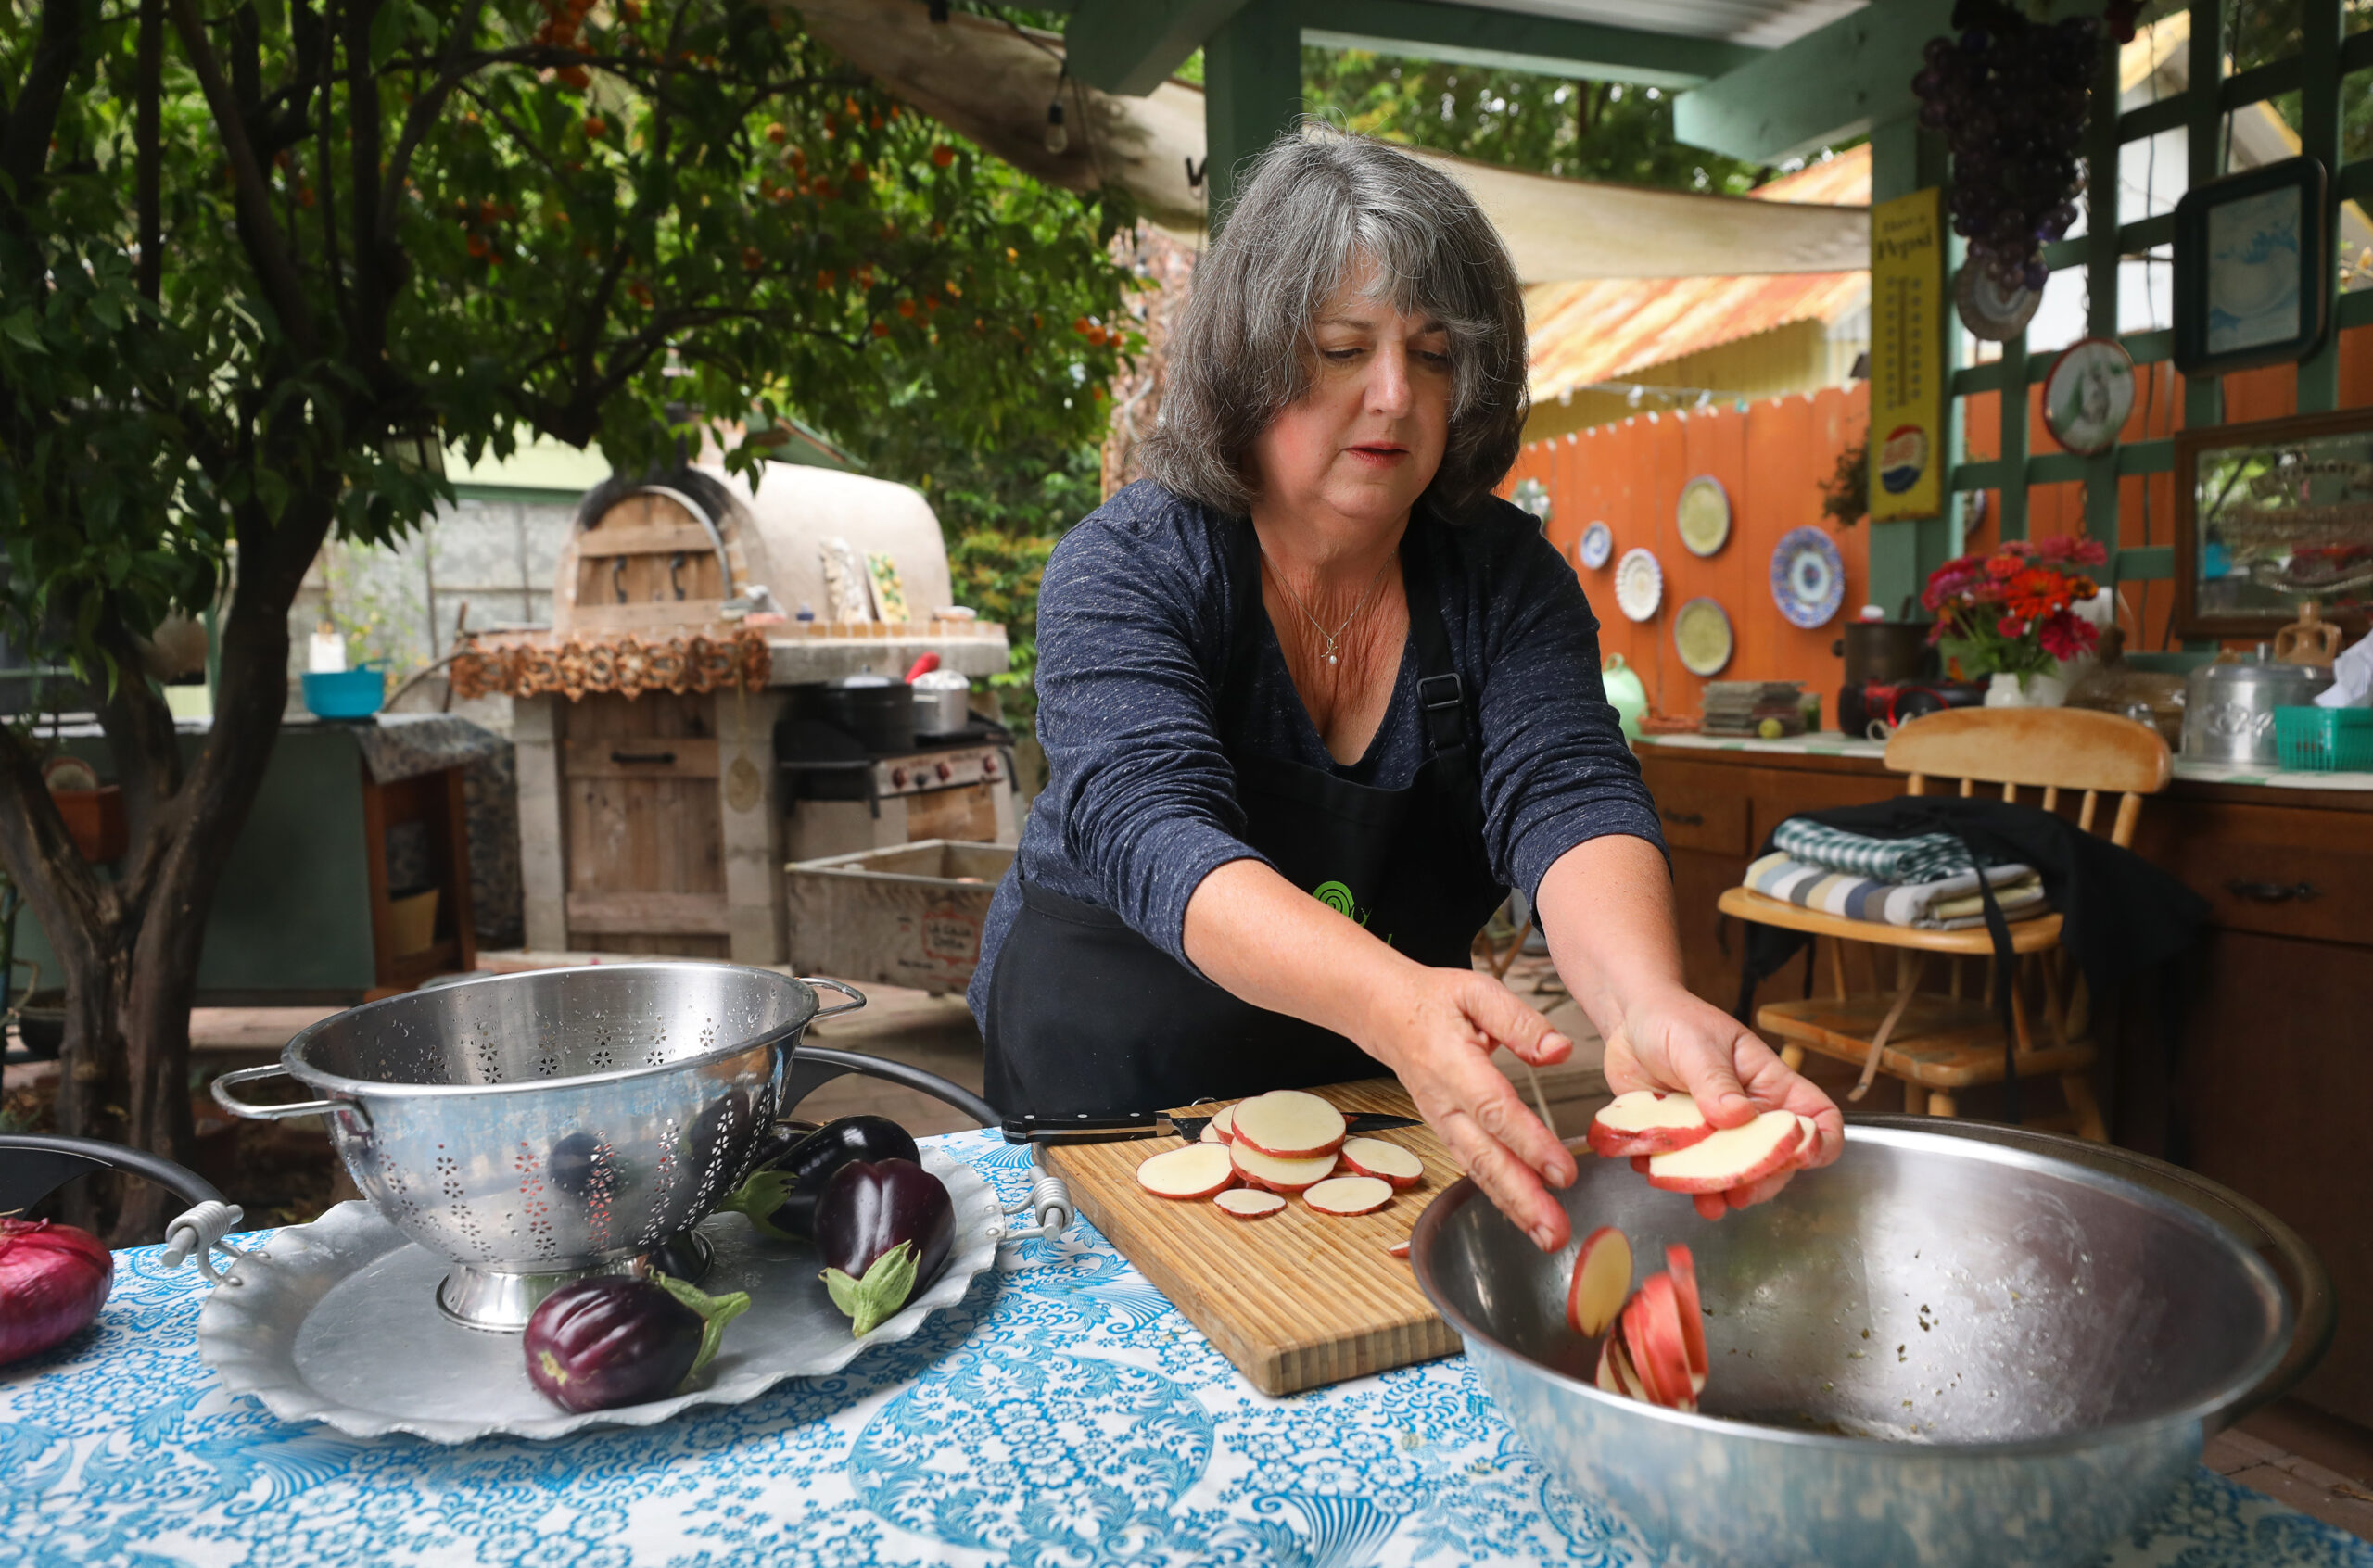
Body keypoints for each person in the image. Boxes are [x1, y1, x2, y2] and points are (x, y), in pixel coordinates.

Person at [968, 130, 1841, 1251]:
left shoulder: (1501, 583)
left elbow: (1566, 792)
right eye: (1342, 347)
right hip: (1105, 1086)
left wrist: (1642, 1004)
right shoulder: (1131, 566)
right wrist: (1398, 1000)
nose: (1394, 395)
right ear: (1247, 360)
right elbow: (1151, 825)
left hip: (1373, 1096)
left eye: (1433, 355)